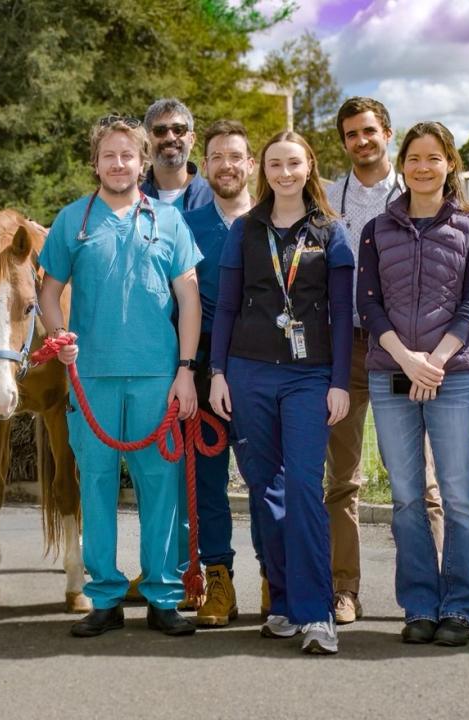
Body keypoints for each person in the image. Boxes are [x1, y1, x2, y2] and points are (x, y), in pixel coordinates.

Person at [39, 115, 202, 639]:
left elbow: (190, 298)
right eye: (108, 156)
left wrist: (185, 372)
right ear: (96, 163)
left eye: (127, 155)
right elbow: (48, 290)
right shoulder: (73, 221)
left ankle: (162, 596)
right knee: (98, 488)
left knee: (160, 487)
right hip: (92, 377)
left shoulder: (169, 221)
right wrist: (59, 336)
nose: (118, 164)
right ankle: (105, 596)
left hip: (157, 376)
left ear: (143, 161)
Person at [208, 130, 354, 655]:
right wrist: (218, 373)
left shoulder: (332, 232)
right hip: (248, 374)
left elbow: (341, 316)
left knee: (302, 490)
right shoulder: (245, 229)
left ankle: (317, 614)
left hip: (308, 376)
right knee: (263, 490)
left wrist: (339, 382)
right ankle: (285, 605)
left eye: (293, 163)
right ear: (262, 170)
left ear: (308, 165)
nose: (284, 173)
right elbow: (225, 307)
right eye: (274, 164)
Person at [358, 121, 469, 647]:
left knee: (458, 495)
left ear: (449, 164)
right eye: (413, 157)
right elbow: (367, 303)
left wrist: (433, 361)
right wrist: (404, 358)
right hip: (390, 371)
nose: (421, 166)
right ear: (403, 164)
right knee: (407, 496)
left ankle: (459, 608)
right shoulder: (377, 229)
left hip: (453, 375)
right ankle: (418, 603)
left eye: (433, 158)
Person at [323, 96, 444, 625]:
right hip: (345, 349)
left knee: (416, 479)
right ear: (345, 141)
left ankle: (430, 591)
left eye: (369, 131)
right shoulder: (327, 199)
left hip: (402, 354)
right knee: (341, 479)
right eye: (351, 134)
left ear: (387, 133)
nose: (361, 140)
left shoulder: (416, 190)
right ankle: (344, 589)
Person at [179, 119, 260, 627]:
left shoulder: (275, 220)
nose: (226, 165)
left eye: (236, 156)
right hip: (207, 364)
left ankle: (278, 577)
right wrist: (186, 371)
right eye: (217, 158)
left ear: (250, 164)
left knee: (266, 479)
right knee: (207, 482)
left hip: (262, 367)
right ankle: (219, 582)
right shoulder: (188, 226)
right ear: (204, 168)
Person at [139, 98, 213, 212]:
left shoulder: (216, 198)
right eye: (160, 130)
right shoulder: (133, 201)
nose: (170, 137)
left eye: (178, 130)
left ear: (192, 140)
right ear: (147, 140)